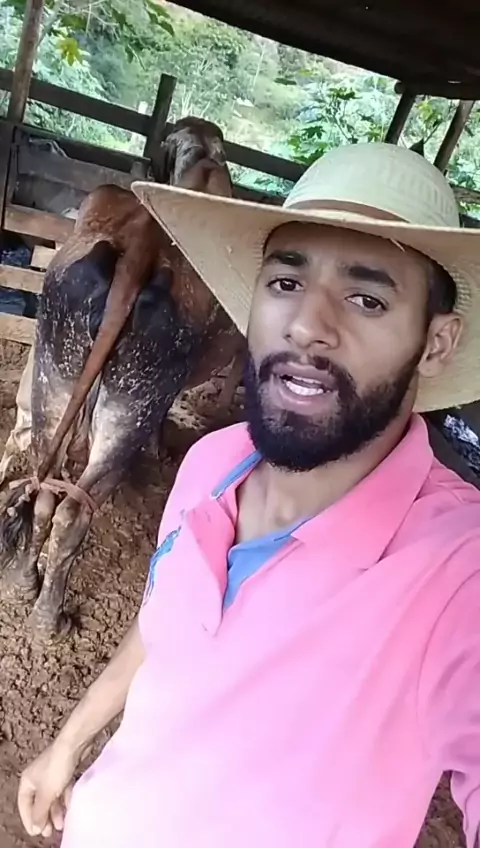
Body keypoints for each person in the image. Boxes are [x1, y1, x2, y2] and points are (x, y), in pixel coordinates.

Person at [17, 141, 480, 848]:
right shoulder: (212, 462)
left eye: (367, 298)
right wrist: (68, 745)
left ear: (437, 343)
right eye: (286, 282)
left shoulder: (456, 571)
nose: (306, 324)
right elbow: (167, 620)